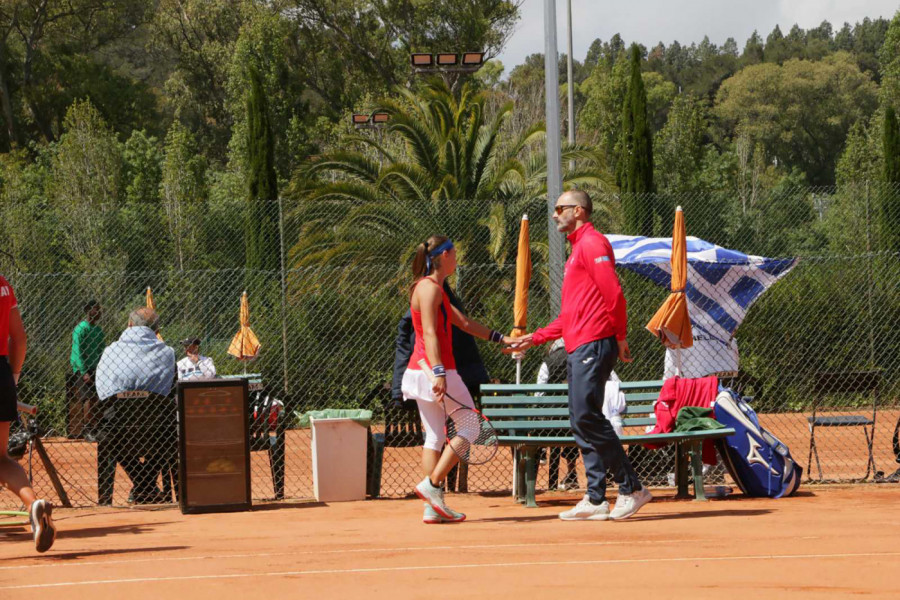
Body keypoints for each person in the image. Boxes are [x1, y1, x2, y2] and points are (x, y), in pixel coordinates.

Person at [508, 190, 651, 521]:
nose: (554, 214)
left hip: (594, 343)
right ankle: (596, 498)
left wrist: (620, 336)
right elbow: (569, 316)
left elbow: (614, 294)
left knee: (587, 416)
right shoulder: (577, 250)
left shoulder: (592, 244)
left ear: (579, 211)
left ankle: (632, 488)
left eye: (560, 208)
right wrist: (534, 338)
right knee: (580, 420)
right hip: (579, 345)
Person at [402, 235, 514, 523]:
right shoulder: (429, 289)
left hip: (422, 371)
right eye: (454, 253)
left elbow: (463, 323)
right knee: (471, 426)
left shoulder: (432, 288)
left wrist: (502, 339)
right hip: (436, 371)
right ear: (445, 255)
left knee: (435, 437)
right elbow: (429, 333)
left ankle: (432, 507)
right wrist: (440, 372)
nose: (457, 258)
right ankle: (432, 484)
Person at [94, 307, 176, 504]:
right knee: (168, 434)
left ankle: (142, 485)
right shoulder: (167, 353)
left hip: (118, 429)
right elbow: (173, 390)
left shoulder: (110, 352)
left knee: (112, 438)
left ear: (129, 325)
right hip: (157, 430)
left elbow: (101, 390)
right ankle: (146, 486)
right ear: (157, 331)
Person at [0, 273, 57, 552]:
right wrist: (12, 378)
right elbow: (19, 339)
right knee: (1, 458)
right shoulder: (2, 284)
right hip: (0, 374)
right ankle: (33, 504)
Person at [68, 300, 104, 438]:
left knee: (97, 398)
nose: (99, 312)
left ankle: (95, 427)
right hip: (82, 368)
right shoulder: (81, 329)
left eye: (99, 309)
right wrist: (83, 372)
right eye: (96, 309)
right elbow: (77, 351)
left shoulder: (98, 330)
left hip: (96, 368)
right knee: (88, 398)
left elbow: (101, 350)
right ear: (89, 310)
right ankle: (86, 429)